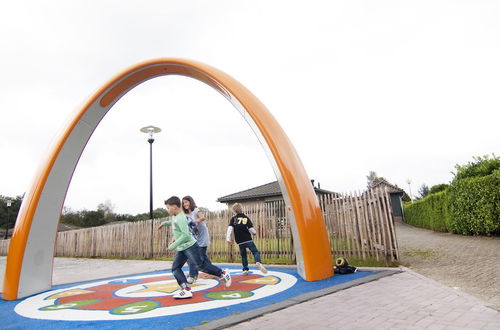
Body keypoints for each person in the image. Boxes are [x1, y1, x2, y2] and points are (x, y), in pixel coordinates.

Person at [158, 196, 231, 299]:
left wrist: (172, 246)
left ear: (174, 207)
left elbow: (186, 235)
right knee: (175, 268)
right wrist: (164, 223)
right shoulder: (175, 216)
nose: (167, 210)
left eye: (168, 208)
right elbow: (174, 223)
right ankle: (186, 289)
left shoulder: (181, 217)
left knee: (200, 266)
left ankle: (223, 273)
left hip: (190, 246)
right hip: (182, 248)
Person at [226, 203, 267, 275]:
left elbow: (230, 229)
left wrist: (228, 238)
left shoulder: (233, 219)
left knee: (243, 255)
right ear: (241, 209)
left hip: (240, 241)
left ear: (234, 211)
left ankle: (245, 269)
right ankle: (258, 262)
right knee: (255, 252)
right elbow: (250, 228)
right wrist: (254, 232)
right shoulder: (246, 218)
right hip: (248, 239)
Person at [182, 195, 211, 284]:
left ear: (190, 201)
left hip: (202, 236)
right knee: (202, 257)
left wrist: (198, 220)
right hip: (195, 237)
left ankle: (193, 274)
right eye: (183, 203)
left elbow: (203, 217)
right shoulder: (187, 214)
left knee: (196, 256)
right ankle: (213, 271)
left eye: (186, 202)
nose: (184, 204)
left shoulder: (196, 210)